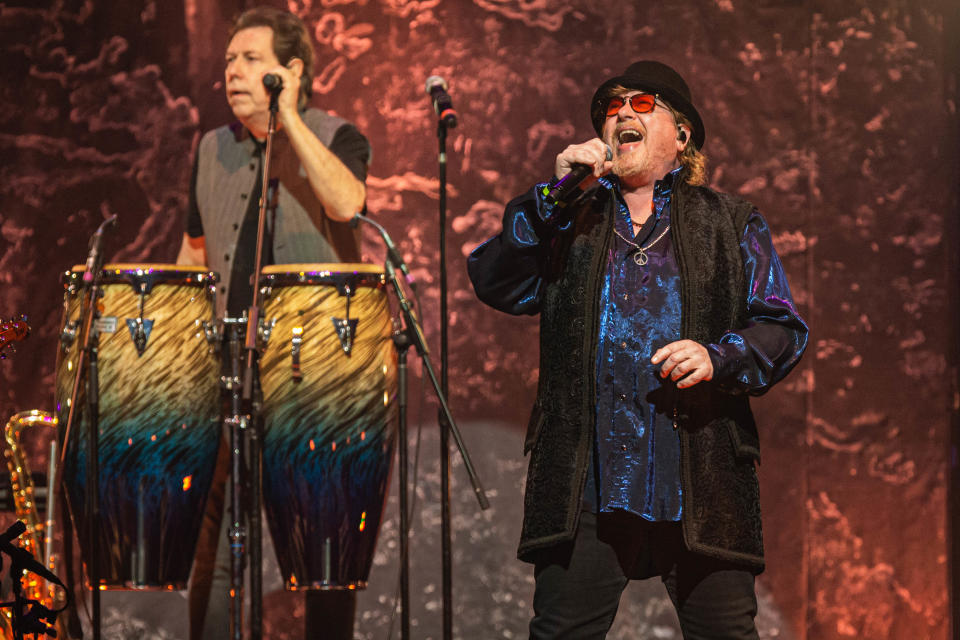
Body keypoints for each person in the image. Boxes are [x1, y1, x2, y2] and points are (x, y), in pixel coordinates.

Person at [467, 60, 808, 638]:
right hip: (587, 480)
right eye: (611, 107)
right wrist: (552, 196)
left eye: (642, 104)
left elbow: (781, 327)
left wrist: (717, 356)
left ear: (682, 134)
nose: (621, 112)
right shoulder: (568, 217)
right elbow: (495, 278)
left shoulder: (731, 223)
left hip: (701, 475)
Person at [176, 7, 369, 639]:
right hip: (226, 367)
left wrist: (286, 118)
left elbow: (346, 203)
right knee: (219, 531)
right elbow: (192, 257)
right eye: (229, 60)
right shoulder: (209, 149)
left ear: (291, 71)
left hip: (315, 371)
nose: (232, 71)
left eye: (250, 60)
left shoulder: (337, 135)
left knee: (323, 538)